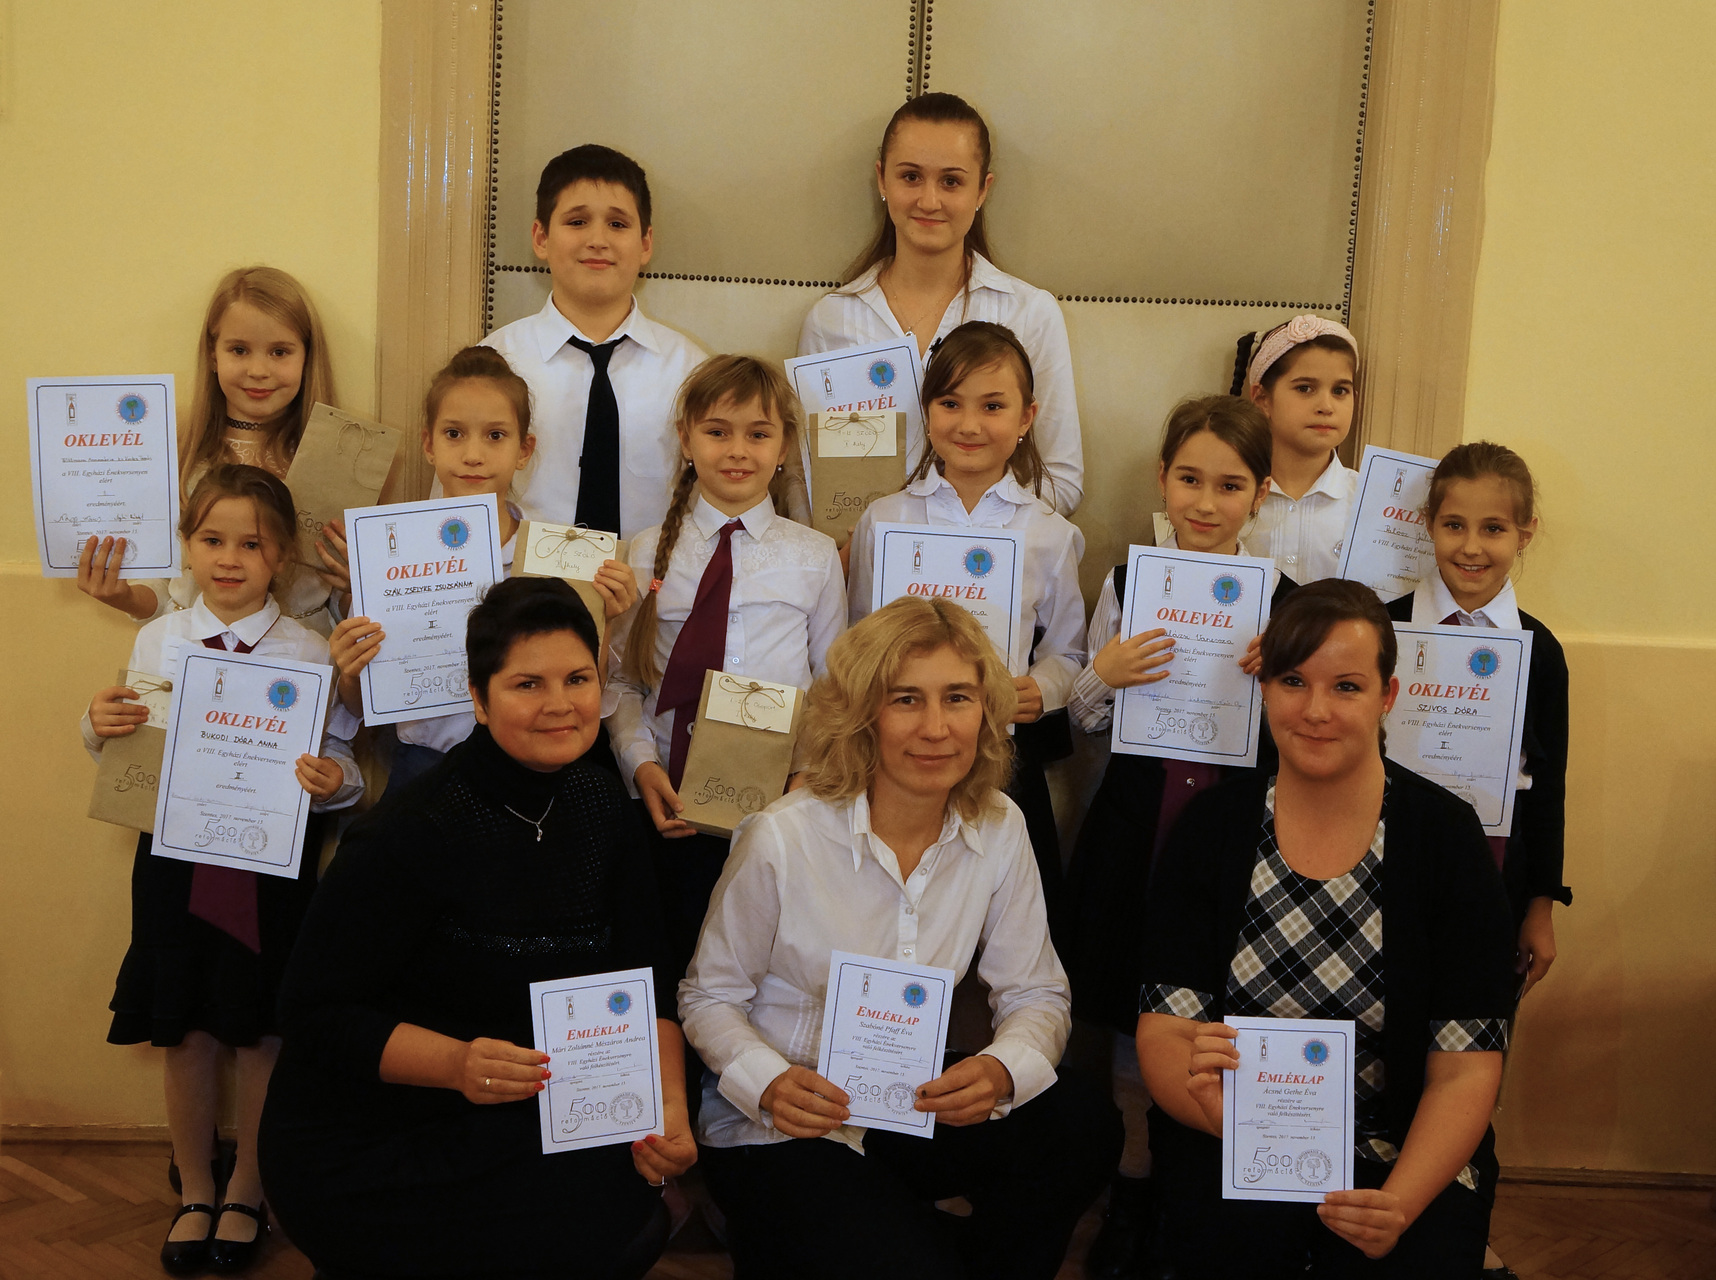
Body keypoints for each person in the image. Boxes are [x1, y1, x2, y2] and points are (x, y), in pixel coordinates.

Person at [258, 578, 695, 1280]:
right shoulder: (409, 830)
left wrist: (668, 1107)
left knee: (631, 1219)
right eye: (527, 684)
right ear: (479, 699)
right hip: (378, 1128)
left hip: (523, 1105)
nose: (560, 704)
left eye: (578, 679)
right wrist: (458, 1065)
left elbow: (649, 978)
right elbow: (312, 1014)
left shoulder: (604, 808)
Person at [680, 597, 1121, 1280]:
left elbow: (1036, 992)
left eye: (958, 698)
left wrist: (1003, 1069)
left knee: (1082, 1123)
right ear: (862, 714)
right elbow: (708, 997)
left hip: (906, 1101)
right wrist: (767, 1084)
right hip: (784, 1124)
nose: (936, 728)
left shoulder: (1000, 825)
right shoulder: (782, 837)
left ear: (986, 710)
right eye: (906, 699)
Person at [1136, 580, 1516, 1277]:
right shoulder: (1212, 829)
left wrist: (1398, 1204)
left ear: (1387, 697)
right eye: (1292, 681)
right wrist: (1232, 1120)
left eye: (1346, 687)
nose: (1315, 711)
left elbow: (1465, 1067)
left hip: (1400, 1151)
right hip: (1232, 1139)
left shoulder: (1445, 838)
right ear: (1264, 689)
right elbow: (1165, 1031)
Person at [81, 465, 363, 1274]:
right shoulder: (158, 639)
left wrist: (336, 781)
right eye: (212, 539)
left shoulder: (307, 650)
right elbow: (129, 752)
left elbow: (343, 761)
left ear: (282, 558)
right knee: (187, 1025)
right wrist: (96, 725)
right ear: (187, 546)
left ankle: (248, 1188)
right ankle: (196, 1187)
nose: (230, 558)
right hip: (173, 862)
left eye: (252, 543)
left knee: (263, 1027)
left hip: (272, 868)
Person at [1061, 393, 1293, 1280]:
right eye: (1189, 479)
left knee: (1216, 1012)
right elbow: (1084, 724)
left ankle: (1193, 1186)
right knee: (1134, 1013)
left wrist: (1278, 676)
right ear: (1162, 479)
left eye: (1229, 485)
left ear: (1260, 494)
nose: (1206, 501)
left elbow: (1309, 738)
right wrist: (1104, 674)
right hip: (1139, 824)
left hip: (1234, 837)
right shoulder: (1128, 582)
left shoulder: (1285, 604)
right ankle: (1132, 1189)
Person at [1385, 441, 1569, 1280]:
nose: (1471, 546)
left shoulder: (1540, 649)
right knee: (1390, 1048)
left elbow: (1549, 787)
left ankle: (1465, 1226)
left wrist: (1541, 904)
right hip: (1390, 875)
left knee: (1472, 1059)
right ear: (1427, 525)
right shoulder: (1383, 626)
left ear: (1524, 533)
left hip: (1493, 888)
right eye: (1454, 524)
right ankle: (1379, 1203)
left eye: (1493, 529)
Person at [605, 355, 845, 970]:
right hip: (671, 798)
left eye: (758, 434)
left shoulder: (816, 557)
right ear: (686, 440)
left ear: (784, 447)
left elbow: (831, 688)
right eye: (717, 431)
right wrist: (641, 766)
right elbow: (623, 681)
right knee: (672, 952)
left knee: (761, 961)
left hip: (780, 806)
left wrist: (804, 780)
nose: (737, 450)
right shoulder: (644, 552)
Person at [845, 321, 1084, 908]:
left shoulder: (1050, 534)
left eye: (993, 406)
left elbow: (1070, 651)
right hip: (895, 755)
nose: (970, 424)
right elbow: (856, 640)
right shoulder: (884, 519)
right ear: (927, 413)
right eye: (951, 403)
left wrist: (1041, 689)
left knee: (996, 911)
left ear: (1026, 418)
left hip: (999, 759)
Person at [328, 346, 637, 793]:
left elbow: (585, 687)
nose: (473, 454)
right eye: (454, 434)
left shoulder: (560, 558)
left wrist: (605, 618)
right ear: (429, 444)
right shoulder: (386, 554)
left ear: (524, 449)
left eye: (495, 435)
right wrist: (351, 670)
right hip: (425, 767)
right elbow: (362, 706)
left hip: (532, 770)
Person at [798, 92, 1083, 516]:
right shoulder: (831, 319)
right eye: (911, 176)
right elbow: (805, 476)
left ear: (983, 190)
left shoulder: (1030, 313)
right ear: (882, 180)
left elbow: (1061, 479)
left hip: (984, 555)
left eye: (951, 181)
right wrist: (841, 543)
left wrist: (963, 532)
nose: (929, 201)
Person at [77, 266, 353, 636]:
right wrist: (122, 596)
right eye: (239, 350)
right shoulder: (177, 452)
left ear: (307, 355)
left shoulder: (343, 460)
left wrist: (357, 586)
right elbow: (165, 590)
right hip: (193, 651)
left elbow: (339, 601)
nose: (258, 370)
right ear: (212, 354)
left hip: (302, 657)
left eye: (279, 351)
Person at [480, 144, 709, 538]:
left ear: (645, 244)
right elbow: (456, 504)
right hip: (520, 575)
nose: (598, 239)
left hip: (652, 576)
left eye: (618, 224)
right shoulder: (492, 364)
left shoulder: (691, 372)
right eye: (577, 221)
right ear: (541, 237)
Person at [1232, 315, 1361, 584]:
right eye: (1305, 388)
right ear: (1262, 399)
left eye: (1340, 391)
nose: (1326, 406)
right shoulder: (1228, 494)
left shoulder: (1368, 502)